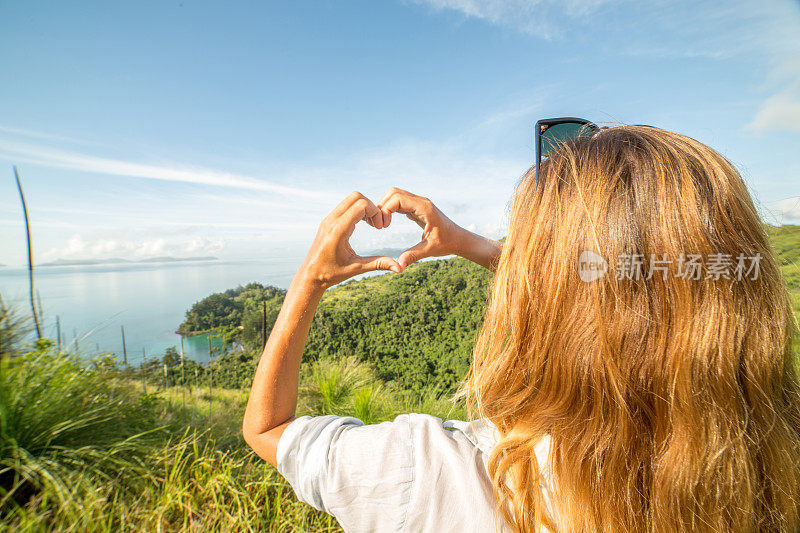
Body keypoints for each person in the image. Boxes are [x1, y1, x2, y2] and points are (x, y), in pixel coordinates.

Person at [243, 125, 800, 532]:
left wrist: (310, 279)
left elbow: (267, 428)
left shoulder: (432, 476)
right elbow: (613, 284)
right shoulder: (770, 453)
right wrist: (470, 243)